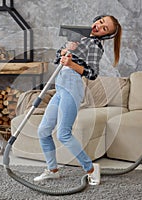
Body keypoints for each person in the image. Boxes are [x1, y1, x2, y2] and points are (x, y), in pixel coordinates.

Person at [34, 15, 122, 185]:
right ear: (97, 19)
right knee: (43, 130)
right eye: (101, 22)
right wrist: (65, 50)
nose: (99, 27)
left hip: (72, 88)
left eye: (105, 29)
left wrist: (72, 64)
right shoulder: (76, 36)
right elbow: (56, 58)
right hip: (60, 87)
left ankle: (90, 168)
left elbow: (92, 73)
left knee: (63, 134)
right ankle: (52, 170)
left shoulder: (95, 45)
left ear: (105, 35)